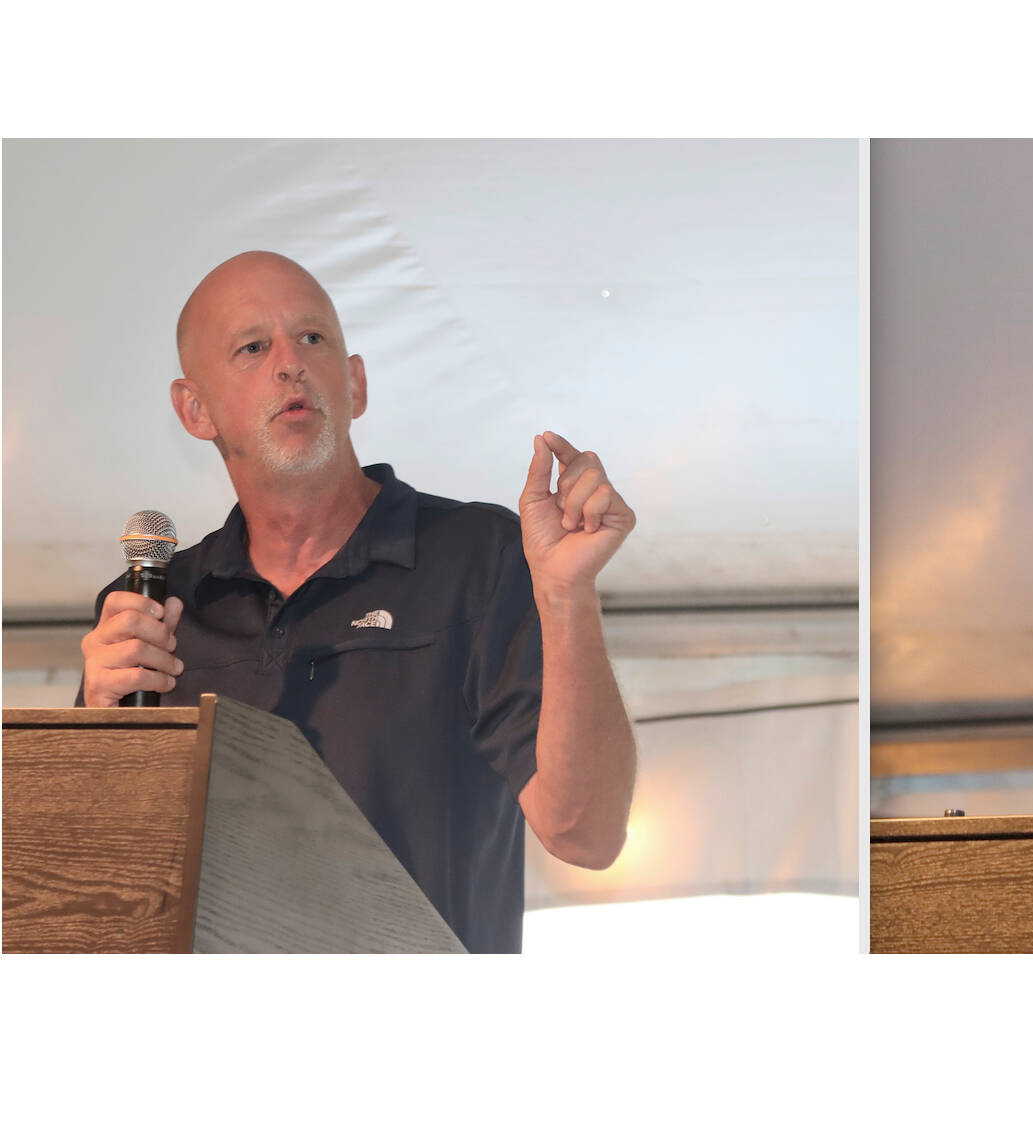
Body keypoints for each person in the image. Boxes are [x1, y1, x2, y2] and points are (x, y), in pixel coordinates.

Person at [77, 251, 638, 953]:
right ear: (196, 409)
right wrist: (99, 731)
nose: (291, 364)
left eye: (312, 339)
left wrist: (567, 594)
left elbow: (585, 833)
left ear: (355, 381)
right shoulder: (152, 608)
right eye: (254, 347)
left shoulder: (479, 556)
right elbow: (99, 890)